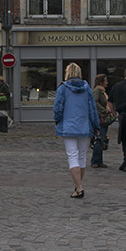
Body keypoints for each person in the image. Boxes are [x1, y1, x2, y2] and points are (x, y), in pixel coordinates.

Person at [53, 63, 101, 199]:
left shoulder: (62, 88)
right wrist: (96, 126)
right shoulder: (87, 89)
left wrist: (57, 120)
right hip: (84, 126)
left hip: (68, 126)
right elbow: (93, 110)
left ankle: (79, 187)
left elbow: (58, 108)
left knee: (72, 155)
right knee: (82, 156)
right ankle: (78, 185)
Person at [90, 73, 114, 168]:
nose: (107, 83)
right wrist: (104, 110)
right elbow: (94, 102)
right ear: (101, 82)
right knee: (99, 139)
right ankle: (95, 161)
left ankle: (99, 161)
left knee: (102, 139)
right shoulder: (97, 90)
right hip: (100, 118)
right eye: (106, 81)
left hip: (103, 119)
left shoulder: (103, 91)